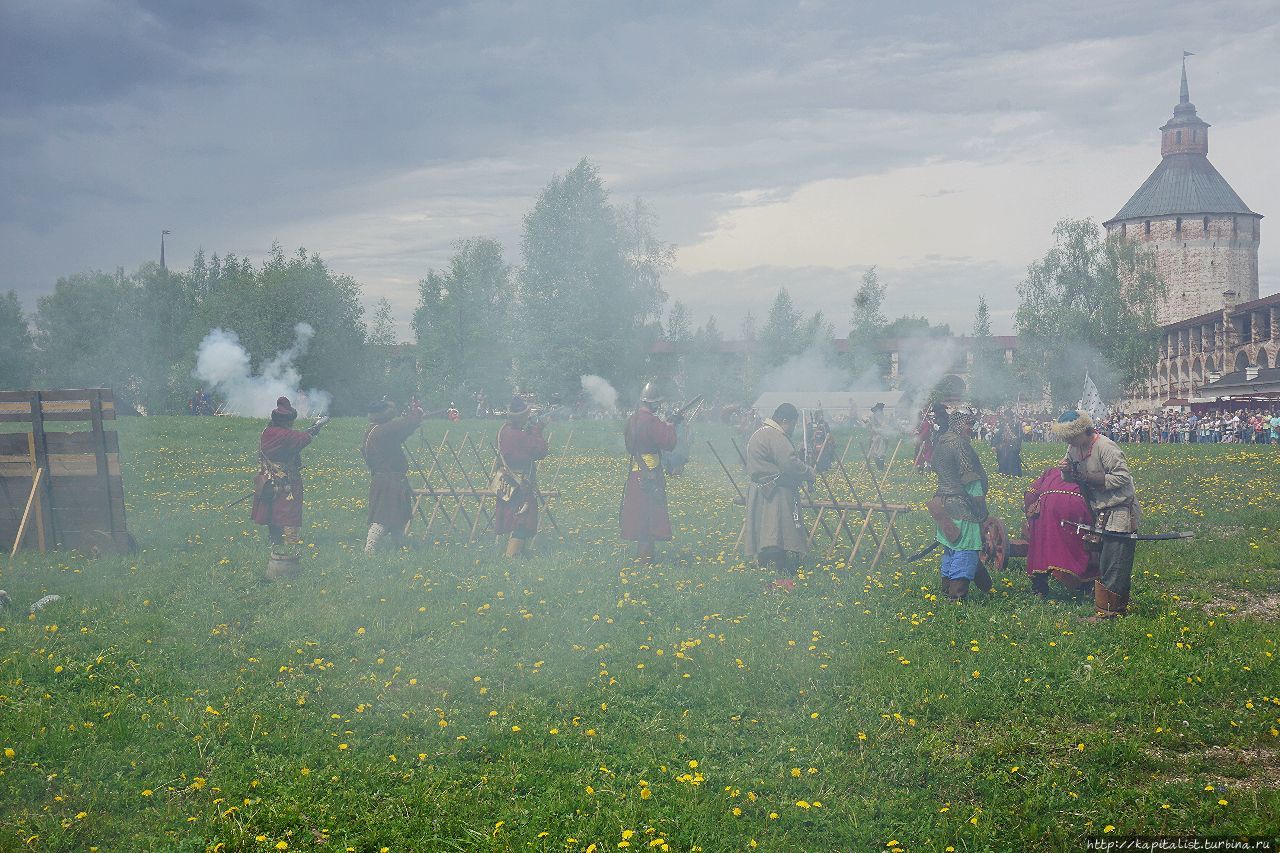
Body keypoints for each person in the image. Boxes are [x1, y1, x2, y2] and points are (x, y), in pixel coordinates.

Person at [1054, 409, 1140, 620]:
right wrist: (1066, 470)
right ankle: (1113, 609)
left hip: (1120, 510)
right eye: (1068, 439)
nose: (1071, 442)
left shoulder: (1105, 446)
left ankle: (1108, 613)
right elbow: (1071, 479)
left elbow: (1122, 478)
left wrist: (1088, 477)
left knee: (1115, 562)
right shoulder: (1073, 448)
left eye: (1073, 437)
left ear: (1085, 430)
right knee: (1104, 562)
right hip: (1100, 511)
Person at [743, 403, 816, 592]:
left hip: (762, 489)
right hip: (775, 491)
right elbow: (789, 463)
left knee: (765, 531)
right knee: (777, 531)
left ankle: (766, 566)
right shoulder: (775, 436)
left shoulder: (759, 433)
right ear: (785, 420)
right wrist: (809, 472)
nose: (793, 429)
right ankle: (778, 570)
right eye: (792, 424)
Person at [925, 404, 993, 601]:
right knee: (967, 550)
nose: (971, 428)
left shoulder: (942, 441)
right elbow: (970, 479)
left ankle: (946, 589)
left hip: (942, 503)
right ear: (959, 423)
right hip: (962, 505)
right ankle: (956, 595)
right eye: (968, 424)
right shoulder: (959, 444)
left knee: (951, 547)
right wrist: (981, 510)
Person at [251, 396, 328, 552]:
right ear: (287, 420)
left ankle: (275, 542)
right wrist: (316, 427)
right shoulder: (285, 435)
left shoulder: (267, 431)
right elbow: (304, 438)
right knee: (289, 512)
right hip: (285, 479)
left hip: (268, 478)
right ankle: (291, 546)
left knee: (272, 511)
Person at [620, 382, 680, 563]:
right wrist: (670, 425)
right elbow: (669, 443)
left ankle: (645, 556)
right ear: (651, 403)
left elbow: (630, 447)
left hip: (636, 472)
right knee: (649, 517)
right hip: (650, 473)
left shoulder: (632, 420)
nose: (658, 405)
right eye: (657, 402)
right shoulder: (652, 421)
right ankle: (645, 559)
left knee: (641, 516)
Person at [361, 397, 426, 553]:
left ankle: (399, 544)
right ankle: (370, 547)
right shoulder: (385, 430)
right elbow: (406, 424)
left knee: (398, 515)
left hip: (384, 478)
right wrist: (417, 412)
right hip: (389, 479)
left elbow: (399, 434)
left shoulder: (374, 430)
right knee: (383, 517)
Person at [1023, 466, 1096, 597]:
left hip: (1048, 503)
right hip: (1076, 502)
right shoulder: (1087, 471)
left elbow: (1030, 494)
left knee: (1041, 547)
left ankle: (1039, 587)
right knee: (1080, 543)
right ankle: (1086, 584)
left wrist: (1029, 517)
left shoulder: (1049, 472)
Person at [494, 397, 549, 557]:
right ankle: (511, 557)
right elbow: (539, 450)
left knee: (516, 518)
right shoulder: (518, 435)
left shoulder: (505, 430)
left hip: (508, 481)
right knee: (522, 520)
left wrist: (531, 430)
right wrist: (537, 430)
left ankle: (520, 553)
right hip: (519, 484)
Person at [868, 402, 889, 469]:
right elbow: (873, 427)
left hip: (882, 437)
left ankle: (881, 468)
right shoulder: (873, 417)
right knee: (875, 452)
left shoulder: (883, 416)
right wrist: (879, 430)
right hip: (875, 436)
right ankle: (879, 467)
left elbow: (885, 425)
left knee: (882, 452)